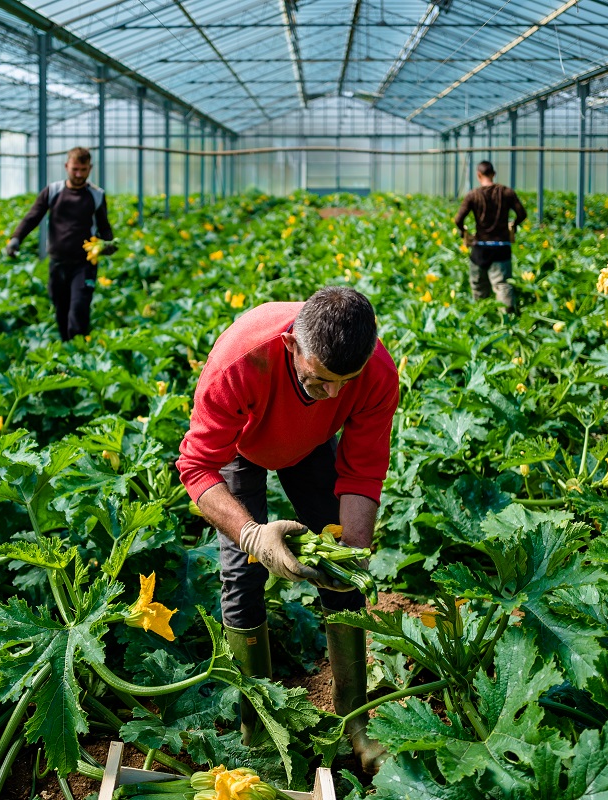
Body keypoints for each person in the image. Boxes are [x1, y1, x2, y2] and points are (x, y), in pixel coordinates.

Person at [177, 286, 399, 773]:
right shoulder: (241, 362)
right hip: (241, 444)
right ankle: (256, 731)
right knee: (243, 577)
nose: (335, 394)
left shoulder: (376, 374)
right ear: (291, 347)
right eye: (320, 381)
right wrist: (254, 535)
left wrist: (353, 552)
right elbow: (196, 468)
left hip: (310, 445)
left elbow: (362, 471)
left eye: (347, 381)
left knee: (341, 567)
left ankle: (355, 722)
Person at [6, 147, 115, 341]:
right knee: (61, 308)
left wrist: (109, 244)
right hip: (57, 263)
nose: (79, 174)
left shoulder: (96, 195)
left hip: (85, 264)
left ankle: (79, 351)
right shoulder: (53, 191)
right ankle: (68, 347)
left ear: (90, 168)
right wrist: (16, 239)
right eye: (75, 169)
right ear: (66, 166)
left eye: (83, 169)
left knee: (79, 308)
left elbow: (104, 226)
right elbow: (32, 217)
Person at [454, 160, 527, 314]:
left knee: (479, 287)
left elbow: (458, 220)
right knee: (502, 286)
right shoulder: (507, 192)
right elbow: (522, 214)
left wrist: (464, 232)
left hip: (480, 248)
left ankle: (482, 318)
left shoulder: (473, 195)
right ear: (493, 174)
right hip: (501, 248)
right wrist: (513, 225)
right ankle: (507, 321)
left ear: (478, 175)